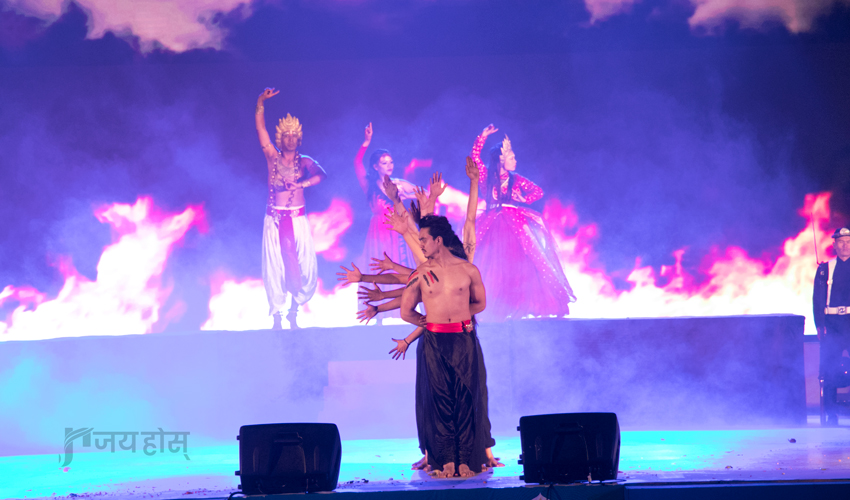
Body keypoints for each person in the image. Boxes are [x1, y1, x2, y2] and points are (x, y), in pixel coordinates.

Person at [400, 214, 489, 478]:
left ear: (438, 240)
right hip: (434, 342)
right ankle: (446, 460)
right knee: (440, 401)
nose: (421, 244)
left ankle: (465, 461)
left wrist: (460, 315)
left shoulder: (468, 270)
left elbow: (480, 303)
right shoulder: (421, 273)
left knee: (465, 399)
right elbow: (406, 310)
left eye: (423, 239)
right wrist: (426, 321)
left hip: (463, 339)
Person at [470, 124, 576, 321]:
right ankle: (492, 305)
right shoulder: (486, 176)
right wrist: (482, 137)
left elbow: (538, 191)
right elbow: (475, 159)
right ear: (501, 159)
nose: (515, 161)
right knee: (491, 264)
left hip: (515, 224)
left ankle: (520, 304)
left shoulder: (516, 179)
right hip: (492, 223)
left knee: (520, 262)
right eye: (512, 157)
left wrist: (524, 199)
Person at [255, 88, 327, 329]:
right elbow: (260, 130)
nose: (290, 139)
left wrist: (300, 184)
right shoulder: (272, 157)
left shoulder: (304, 161)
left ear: (299, 138)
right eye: (286, 135)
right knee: (275, 267)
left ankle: (293, 312)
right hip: (274, 220)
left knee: (303, 268)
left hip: (297, 221)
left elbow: (321, 174)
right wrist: (260, 102)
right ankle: (277, 316)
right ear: (280, 139)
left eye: (294, 135)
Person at [354, 123, 420, 323]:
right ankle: (377, 314)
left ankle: (404, 310)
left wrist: (411, 196)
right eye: (384, 163)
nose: (389, 165)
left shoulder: (399, 184)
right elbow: (357, 163)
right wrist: (366, 142)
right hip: (378, 233)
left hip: (399, 231)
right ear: (376, 166)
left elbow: (422, 193)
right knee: (378, 268)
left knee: (401, 268)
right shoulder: (370, 185)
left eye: (391, 162)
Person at [814, 225, 850, 426]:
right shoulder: (825, 269)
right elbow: (817, 299)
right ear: (835, 245)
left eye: (848, 242)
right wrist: (819, 325)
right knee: (829, 368)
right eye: (841, 242)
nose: (845, 246)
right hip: (832, 324)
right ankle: (831, 415)